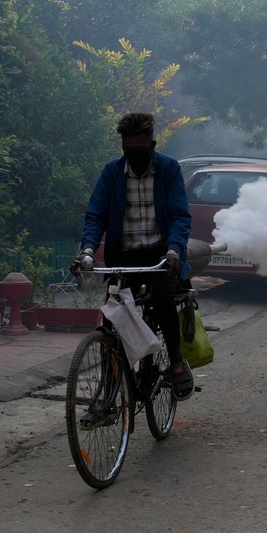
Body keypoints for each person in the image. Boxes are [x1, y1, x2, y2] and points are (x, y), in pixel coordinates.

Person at [74, 112, 195, 400]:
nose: (134, 156)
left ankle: (176, 362)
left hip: (159, 257)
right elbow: (95, 216)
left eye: (140, 151)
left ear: (152, 145)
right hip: (123, 258)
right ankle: (109, 387)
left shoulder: (168, 169)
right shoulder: (112, 173)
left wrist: (174, 250)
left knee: (164, 301)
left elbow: (180, 216)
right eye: (128, 150)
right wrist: (88, 251)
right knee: (111, 320)